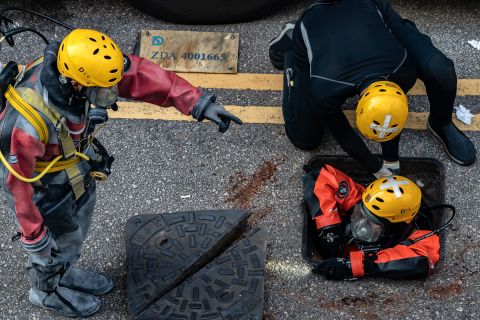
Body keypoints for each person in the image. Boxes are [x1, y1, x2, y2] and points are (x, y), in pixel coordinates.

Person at [0, 29, 242, 317]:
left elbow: (138, 74)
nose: (113, 93)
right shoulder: (27, 124)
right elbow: (18, 188)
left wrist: (197, 103)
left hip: (73, 168)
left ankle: (64, 271)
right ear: (76, 84)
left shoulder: (85, 71)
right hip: (46, 188)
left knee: (75, 233)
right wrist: (35, 237)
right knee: (57, 240)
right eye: (105, 90)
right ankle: (45, 291)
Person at [269, 0, 476, 178]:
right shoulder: (326, 88)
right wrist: (375, 167)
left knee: (440, 69)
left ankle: (441, 124)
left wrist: (391, 162)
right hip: (316, 25)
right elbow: (342, 131)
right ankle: (290, 38)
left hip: (366, 7)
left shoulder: (404, 70)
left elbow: (391, 113)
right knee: (304, 138)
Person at [303, 164, 441, 280]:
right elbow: (320, 176)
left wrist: (354, 265)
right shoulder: (368, 200)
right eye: (360, 214)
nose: (360, 224)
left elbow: (418, 261)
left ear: (395, 226)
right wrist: (329, 228)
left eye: (371, 222)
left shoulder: (423, 240)